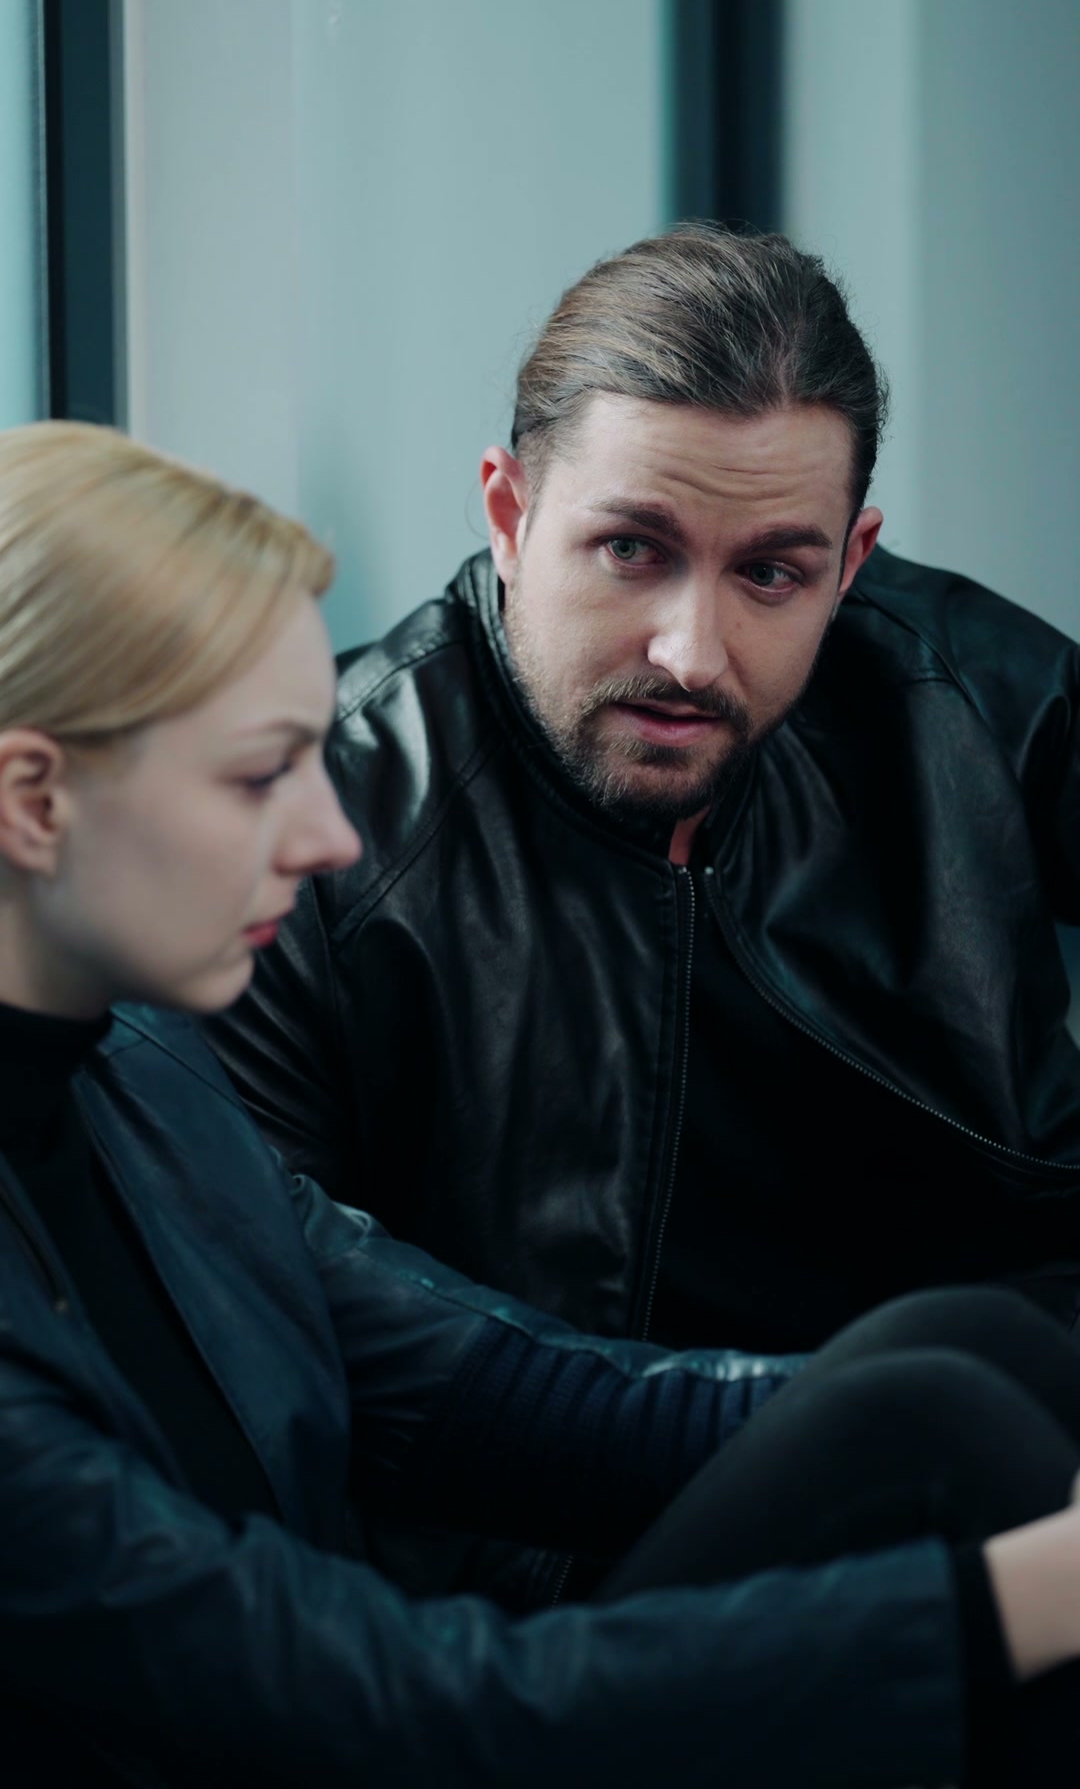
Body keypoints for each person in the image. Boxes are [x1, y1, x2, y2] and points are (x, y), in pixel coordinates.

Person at [3, 425, 1080, 1789]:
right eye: (261, 777)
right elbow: (446, 1723)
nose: (328, 838)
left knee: (950, 1375)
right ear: (33, 798)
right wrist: (1018, 1596)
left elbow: (507, 1396)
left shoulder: (134, 1086)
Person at [209, 224, 1080, 1615]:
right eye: (631, 549)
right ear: (509, 514)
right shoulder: (315, 840)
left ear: (851, 563)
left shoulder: (954, 699)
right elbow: (301, 1342)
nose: (692, 651)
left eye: (772, 574)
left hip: (1001, 1462)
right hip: (576, 1590)